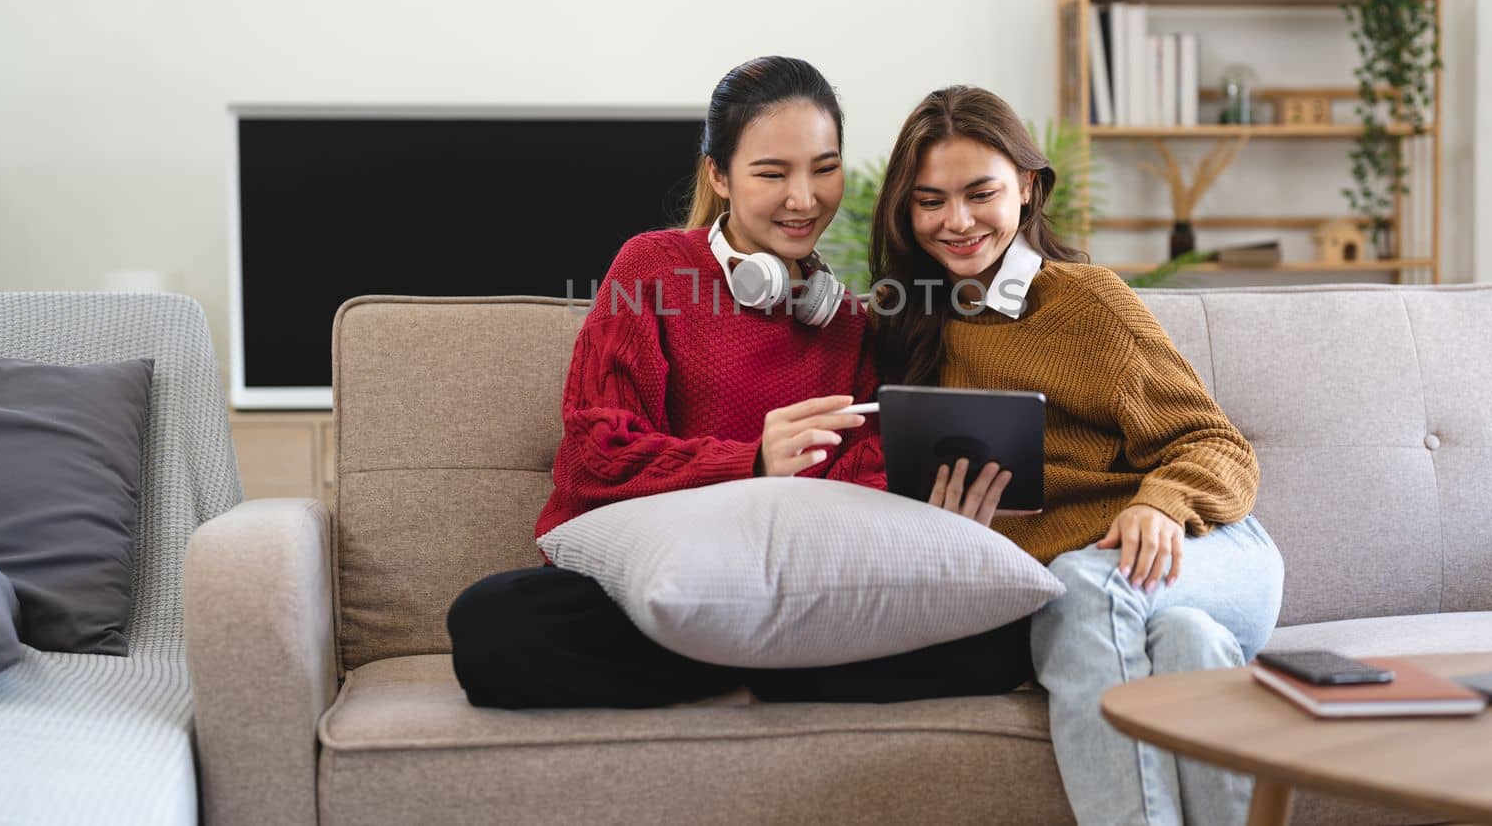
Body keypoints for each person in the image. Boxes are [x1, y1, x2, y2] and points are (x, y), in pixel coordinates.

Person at [446, 57, 1029, 709]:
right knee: (491, 622)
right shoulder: (654, 269)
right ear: (719, 175)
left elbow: (862, 477)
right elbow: (594, 450)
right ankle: (775, 671)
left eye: (824, 167)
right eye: (772, 173)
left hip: (787, 584)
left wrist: (930, 509)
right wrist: (751, 459)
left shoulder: (851, 322)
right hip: (651, 584)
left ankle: (738, 665)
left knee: (1004, 638)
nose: (804, 198)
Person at [868, 85, 1285, 826]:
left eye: (980, 193)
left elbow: (1219, 446)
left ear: (1027, 187)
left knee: (1082, 587)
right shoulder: (908, 328)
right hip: (1132, 604)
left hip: (1206, 551)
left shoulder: (1085, 304)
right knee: (1186, 644)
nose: (955, 221)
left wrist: (1161, 501)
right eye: (929, 200)